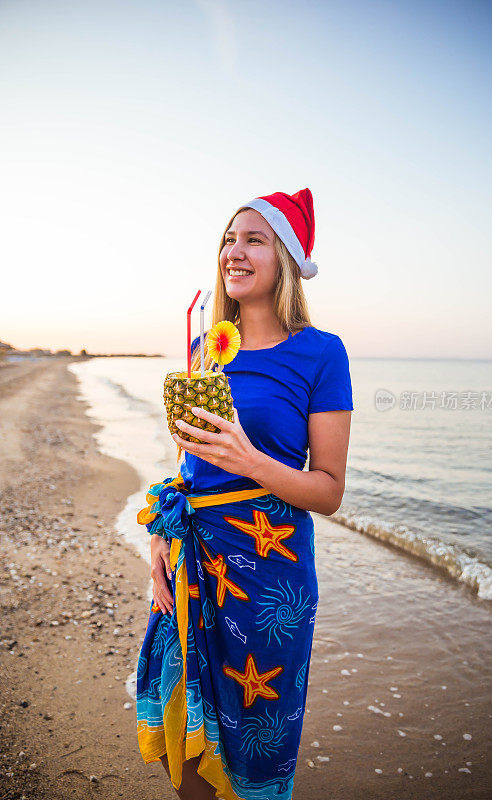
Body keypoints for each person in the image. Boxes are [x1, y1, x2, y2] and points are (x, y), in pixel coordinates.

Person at [136, 188, 353, 800]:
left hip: (269, 578)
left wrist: (251, 461)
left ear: (285, 258)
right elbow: (188, 465)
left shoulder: (321, 354)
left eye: (254, 238)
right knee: (187, 750)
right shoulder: (207, 351)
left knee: (254, 747)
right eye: (230, 239)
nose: (235, 250)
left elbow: (330, 490)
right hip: (192, 562)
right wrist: (159, 536)